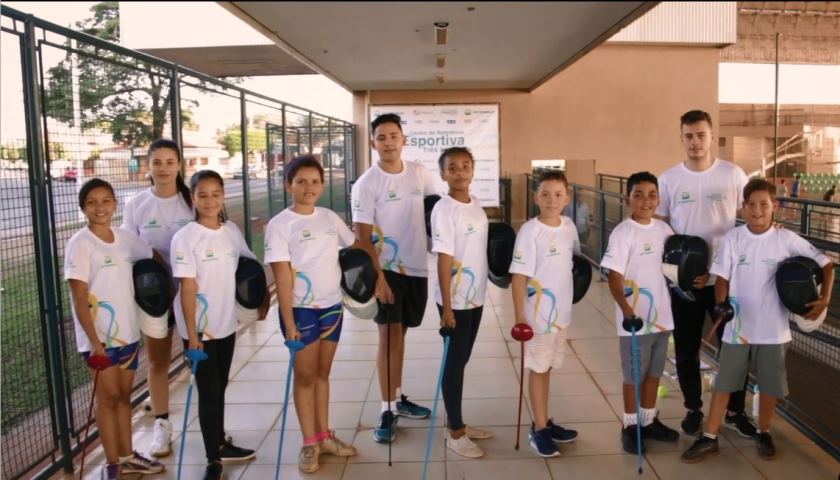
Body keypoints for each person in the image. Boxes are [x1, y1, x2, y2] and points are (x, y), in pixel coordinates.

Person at [682, 178, 833, 463]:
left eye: (764, 204)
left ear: (775, 207)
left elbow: (826, 264)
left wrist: (824, 298)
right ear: (743, 208)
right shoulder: (734, 238)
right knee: (725, 384)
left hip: (773, 331)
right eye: (751, 205)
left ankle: (763, 432)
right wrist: (721, 302)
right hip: (737, 329)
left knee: (768, 387)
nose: (758, 210)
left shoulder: (786, 239)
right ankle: (710, 437)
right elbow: (723, 278)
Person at [655, 110, 755, 438]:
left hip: (725, 282)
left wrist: (772, 227)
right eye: (688, 136)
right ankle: (694, 408)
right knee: (686, 348)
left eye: (701, 135)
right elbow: (662, 228)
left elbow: (752, 212)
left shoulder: (733, 174)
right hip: (686, 285)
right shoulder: (669, 178)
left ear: (712, 137)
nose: (695, 142)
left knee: (733, 349)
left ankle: (734, 410)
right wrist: (680, 273)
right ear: (681, 138)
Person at [265, 155, 360, 473]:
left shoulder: (330, 218)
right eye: (301, 181)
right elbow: (281, 277)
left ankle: (324, 436)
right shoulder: (280, 225)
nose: (308, 187)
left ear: (323, 184)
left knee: (322, 374)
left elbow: (353, 246)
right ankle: (309, 443)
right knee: (304, 377)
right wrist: (288, 322)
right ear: (288, 184)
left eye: (315, 181)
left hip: (332, 308)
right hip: (301, 312)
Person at [65, 179, 165, 480]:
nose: (100, 207)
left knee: (124, 397)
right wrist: (95, 342)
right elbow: (80, 299)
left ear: (114, 204)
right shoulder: (79, 244)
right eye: (92, 202)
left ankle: (127, 456)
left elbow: (153, 256)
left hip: (129, 335)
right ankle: (112, 465)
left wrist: (161, 287)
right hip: (100, 341)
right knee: (107, 400)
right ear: (83, 207)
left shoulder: (125, 239)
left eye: (106, 200)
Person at [351, 113, 438, 443]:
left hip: (416, 268)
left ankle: (397, 398)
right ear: (373, 143)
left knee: (401, 335)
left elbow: (434, 215)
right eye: (381, 137)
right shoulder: (367, 184)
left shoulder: (419, 172)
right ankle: (386, 409)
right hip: (386, 270)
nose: (388, 142)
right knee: (387, 335)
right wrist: (379, 280)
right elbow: (362, 238)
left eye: (393, 136)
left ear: (404, 139)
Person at [170, 170, 260, 480]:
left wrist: (258, 304)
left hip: (226, 323)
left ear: (223, 196)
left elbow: (249, 268)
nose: (210, 201)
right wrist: (193, 334)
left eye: (215, 194)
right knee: (208, 392)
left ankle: (219, 441)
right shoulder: (185, 237)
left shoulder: (231, 231)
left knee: (219, 388)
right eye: (202, 195)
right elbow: (188, 287)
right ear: (192, 199)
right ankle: (213, 460)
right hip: (200, 331)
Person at [121, 139, 195, 458]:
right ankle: (162, 426)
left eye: (169, 161)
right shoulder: (135, 204)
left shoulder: (191, 201)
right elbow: (129, 249)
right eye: (157, 162)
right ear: (148, 166)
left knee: (201, 361)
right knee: (158, 361)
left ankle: (212, 425)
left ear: (179, 165)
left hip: (193, 295)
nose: (163, 168)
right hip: (156, 297)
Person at [600, 171, 680, 455]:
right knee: (634, 376)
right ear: (627, 199)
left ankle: (648, 422)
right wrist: (626, 310)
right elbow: (614, 276)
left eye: (651, 195)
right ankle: (630, 427)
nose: (646, 200)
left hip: (662, 317)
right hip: (634, 320)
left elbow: (675, 268)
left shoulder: (664, 231)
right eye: (638, 194)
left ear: (658, 199)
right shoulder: (624, 233)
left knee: (654, 374)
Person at [509, 170, 580, 458]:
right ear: (536, 197)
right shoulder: (530, 231)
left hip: (560, 316)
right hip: (536, 318)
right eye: (546, 194)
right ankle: (539, 429)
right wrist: (519, 319)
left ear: (568, 197)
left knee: (546, 368)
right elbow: (518, 277)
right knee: (538, 370)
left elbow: (572, 262)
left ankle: (545, 420)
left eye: (558, 194)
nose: (552, 200)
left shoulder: (568, 226)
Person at [430, 147, 493, 458]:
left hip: (476, 296)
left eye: (465, 166)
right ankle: (455, 433)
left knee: (461, 360)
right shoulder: (444, 209)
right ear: (443, 174)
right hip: (455, 299)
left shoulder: (476, 204)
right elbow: (444, 258)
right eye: (452, 168)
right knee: (454, 364)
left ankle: (456, 422)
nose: (459, 172)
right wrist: (448, 306)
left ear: (473, 170)